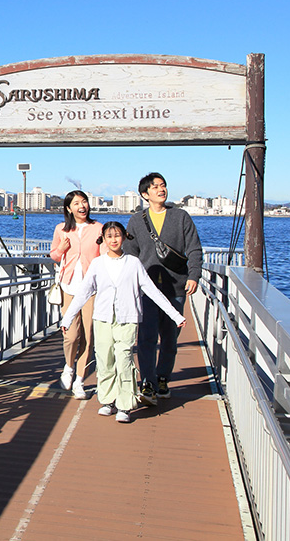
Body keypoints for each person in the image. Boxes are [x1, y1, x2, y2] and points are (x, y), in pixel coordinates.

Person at [60, 222, 185, 423]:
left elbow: (152, 290)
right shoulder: (98, 264)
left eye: (117, 235)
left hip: (127, 318)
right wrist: (67, 318)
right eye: (109, 236)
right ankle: (108, 400)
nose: (114, 240)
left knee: (124, 358)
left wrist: (175, 315)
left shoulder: (133, 263)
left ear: (124, 237)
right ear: (103, 239)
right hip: (103, 318)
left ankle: (125, 405)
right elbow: (84, 292)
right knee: (105, 360)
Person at [124, 172, 203, 405]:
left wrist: (194, 275)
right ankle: (147, 382)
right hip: (147, 290)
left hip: (175, 287)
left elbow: (194, 249)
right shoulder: (137, 220)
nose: (161, 189)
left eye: (163, 185)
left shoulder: (181, 217)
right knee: (146, 337)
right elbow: (130, 253)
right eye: (156, 187)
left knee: (170, 338)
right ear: (145, 194)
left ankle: (162, 378)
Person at [49, 190, 104, 399]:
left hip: (92, 289)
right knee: (71, 335)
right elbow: (54, 255)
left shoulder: (98, 228)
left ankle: (80, 379)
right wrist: (61, 248)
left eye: (84, 202)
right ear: (68, 208)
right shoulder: (61, 229)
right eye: (77, 203)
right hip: (69, 287)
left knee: (88, 336)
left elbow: (105, 255)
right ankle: (68, 366)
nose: (82, 206)